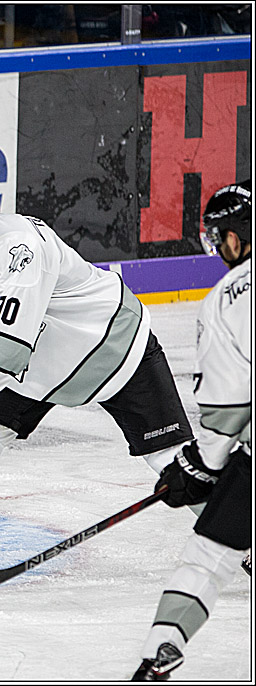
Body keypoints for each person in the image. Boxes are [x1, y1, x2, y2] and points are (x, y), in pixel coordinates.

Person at [0, 156, 195, 575]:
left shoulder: (21, 244)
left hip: (109, 347)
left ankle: (243, 536)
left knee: (173, 461)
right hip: (33, 371)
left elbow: (10, 341)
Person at [132, 181, 251, 681]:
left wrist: (200, 467)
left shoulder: (227, 299)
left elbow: (227, 411)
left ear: (233, 238)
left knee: (211, 552)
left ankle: (164, 643)